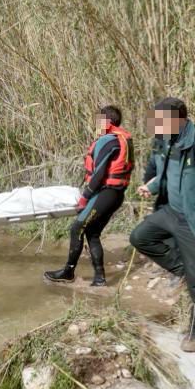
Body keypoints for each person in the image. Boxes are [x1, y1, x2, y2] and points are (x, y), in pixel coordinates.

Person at [132, 98, 195, 352]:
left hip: (194, 218)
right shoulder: (169, 139)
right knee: (140, 237)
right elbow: (168, 172)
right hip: (171, 211)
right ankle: (182, 271)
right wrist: (152, 186)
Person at [44, 105, 134, 287]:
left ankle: (68, 272)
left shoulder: (109, 141)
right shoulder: (121, 139)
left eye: (98, 121)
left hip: (106, 195)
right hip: (115, 195)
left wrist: (85, 197)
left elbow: (99, 174)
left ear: (107, 122)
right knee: (92, 233)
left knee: (76, 228)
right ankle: (99, 279)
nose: (96, 124)